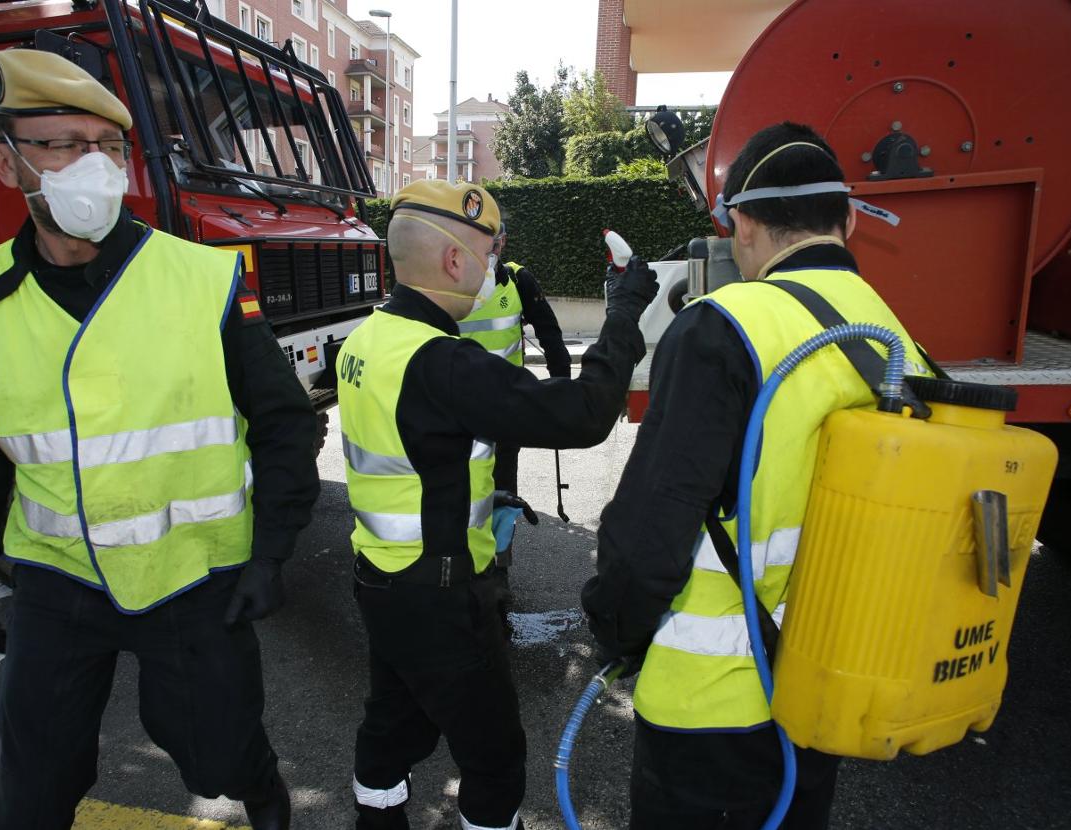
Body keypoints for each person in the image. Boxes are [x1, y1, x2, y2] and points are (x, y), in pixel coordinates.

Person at [0, 49, 318, 830]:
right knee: (26, 784)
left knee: (221, 752)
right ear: (6, 162)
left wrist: (271, 551)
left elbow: (285, 423)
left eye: (108, 146)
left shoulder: (202, 280)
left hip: (193, 577)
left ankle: (266, 799)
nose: (94, 166)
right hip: (57, 581)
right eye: (65, 144)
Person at [581, 122, 934, 829]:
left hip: (709, 706)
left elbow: (650, 531)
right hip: (824, 693)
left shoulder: (726, 325)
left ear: (742, 221)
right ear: (851, 220)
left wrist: (615, 630)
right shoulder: (903, 346)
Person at [337, 179, 657, 829]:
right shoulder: (442, 363)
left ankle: (376, 817)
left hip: (382, 580)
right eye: (486, 252)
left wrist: (475, 488)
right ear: (455, 260)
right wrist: (624, 311)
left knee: (392, 726)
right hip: (443, 597)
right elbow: (585, 415)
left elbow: (412, 452)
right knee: (494, 757)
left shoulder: (368, 340)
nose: (492, 267)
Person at [456, 222, 572, 590]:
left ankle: (498, 568)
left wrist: (561, 387)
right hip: (456, 408)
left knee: (502, 487)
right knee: (459, 488)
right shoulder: (450, 279)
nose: (491, 244)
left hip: (504, 409)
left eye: (495, 236)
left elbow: (550, 334)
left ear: (503, 240)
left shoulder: (517, 280)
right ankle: (459, 564)